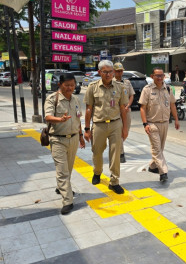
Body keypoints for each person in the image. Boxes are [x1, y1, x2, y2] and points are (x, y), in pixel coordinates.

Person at [83, 60, 128, 195]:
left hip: (115, 124)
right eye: (105, 72)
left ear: (113, 72)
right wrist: (86, 129)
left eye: (110, 72)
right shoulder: (92, 87)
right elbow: (88, 109)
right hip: (99, 124)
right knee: (97, 152)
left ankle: (114, 181)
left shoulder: (120, 87)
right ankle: (97, 172)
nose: (108, 74)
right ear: (99, 72)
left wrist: (125, 128)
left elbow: (123, 109)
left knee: (115, 154)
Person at [45, 74, 85, 215]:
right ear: (60, 84)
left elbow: (78, 118)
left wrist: (80, 136)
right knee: (62, 170)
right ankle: (67, 201)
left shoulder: (75, 99)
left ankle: (60, 188)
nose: (70, 88)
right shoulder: (52, 99)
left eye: (72, 85)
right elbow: (47, 116)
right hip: (57, 139)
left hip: (73, 138)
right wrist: (60, 120)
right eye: (67, 85)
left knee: (68, 167)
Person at [139, 67, 180, 182]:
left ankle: (153, 166)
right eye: (157, 75)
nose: (160, 77)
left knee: (160, 148)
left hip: (165, 123)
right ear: (152, 76)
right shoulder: (147, 89)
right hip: (152, 123)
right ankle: (163, 172)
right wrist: (145, 124)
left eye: (161, 75)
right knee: (157, 149)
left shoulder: (168, 88)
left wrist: (176, 119)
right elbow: (143, 108)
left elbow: (172, 105)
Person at [113, 62, 135, 163]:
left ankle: (117, 146)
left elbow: (131, 95)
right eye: (117, 71)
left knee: (125, 131)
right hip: (116, 111)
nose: (119, 73)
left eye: (121, 71)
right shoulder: (111, 83)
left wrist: (128, 105)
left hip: (126, 110)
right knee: (118, 132)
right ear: (114, 71)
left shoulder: (127, 82)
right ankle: (121, 153)